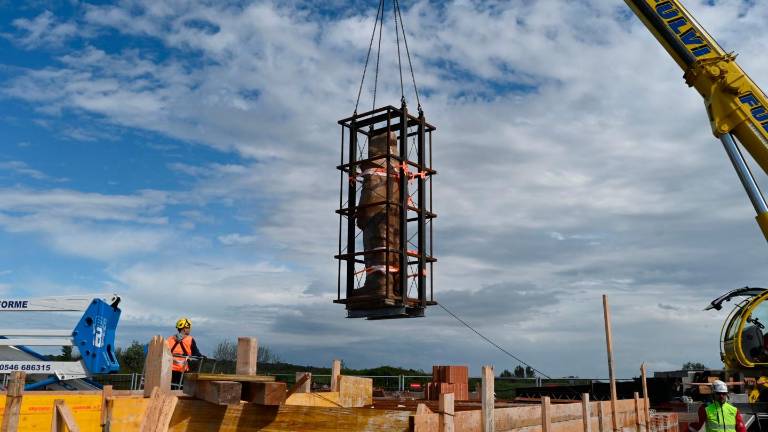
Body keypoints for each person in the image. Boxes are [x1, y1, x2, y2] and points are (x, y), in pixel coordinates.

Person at [166, 317, 202, 387]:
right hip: (182, 370)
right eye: (188, 327)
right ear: (184, 328)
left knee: (169, 390)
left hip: (169, 369)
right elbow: (197, 354)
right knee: (182, 391)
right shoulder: (190, 340)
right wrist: (202, 357)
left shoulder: (169, 339)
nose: (190, 329)